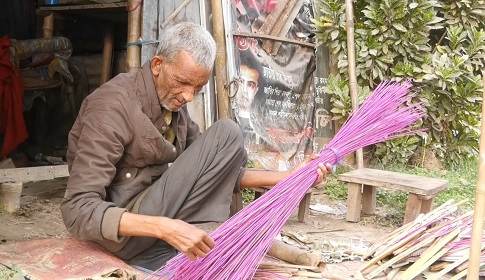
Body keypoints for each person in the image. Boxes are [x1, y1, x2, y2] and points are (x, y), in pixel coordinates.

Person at [60, 22, 332, 272]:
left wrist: (290, 177)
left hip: (157, 219)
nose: (189, 96)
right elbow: (77, 209)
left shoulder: (172, 104)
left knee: (226, 140)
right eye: (183, 82)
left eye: (198, 87)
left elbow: (218, 170)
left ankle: (168, 249)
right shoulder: (111, 106)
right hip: (124, 234)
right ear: (157, 64)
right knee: (227, 131)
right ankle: (156, 250)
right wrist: (166, 229)